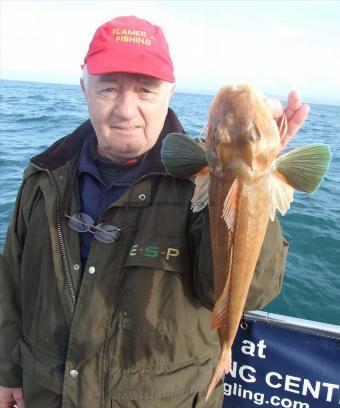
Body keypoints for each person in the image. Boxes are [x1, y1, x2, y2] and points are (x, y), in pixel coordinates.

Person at [0, 15, 309, 408]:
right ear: (84, 87)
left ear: (170, 92)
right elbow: (10, 278)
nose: (126, 111)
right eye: (108, 88)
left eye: (146, 90)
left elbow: (249, 292)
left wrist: (251, 185)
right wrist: (7, 372)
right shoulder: (43, 176)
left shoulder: (202, 180)